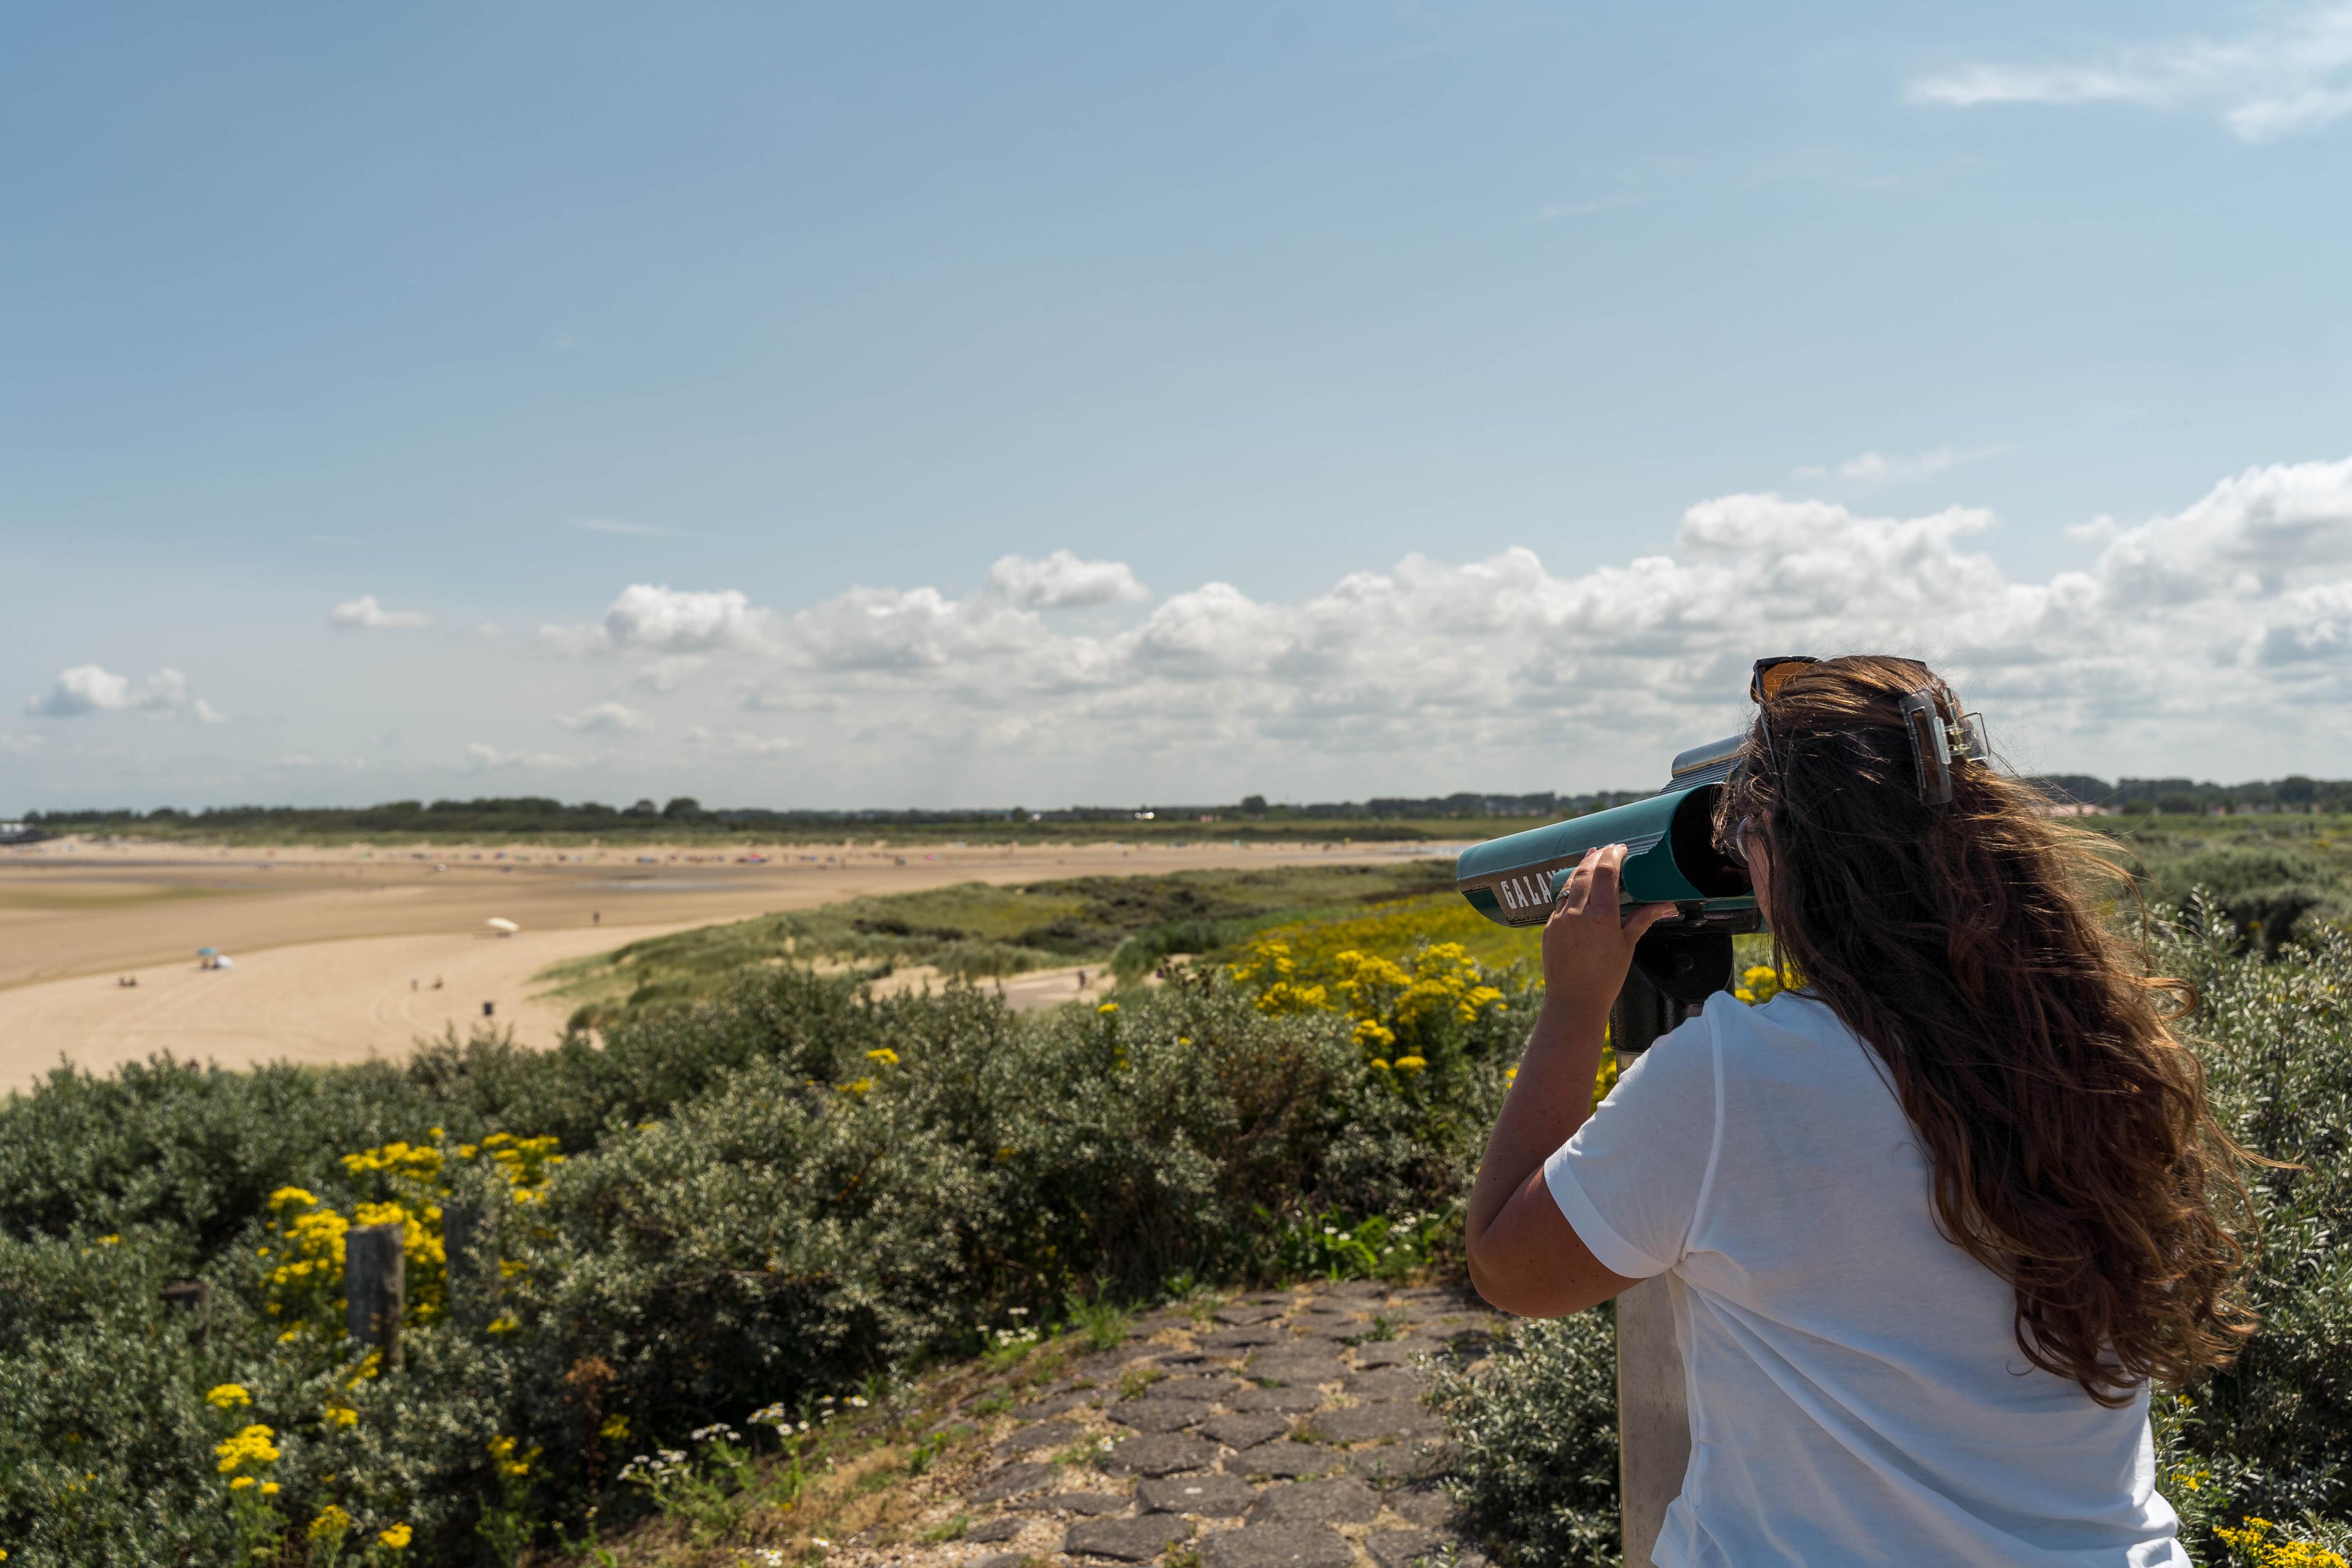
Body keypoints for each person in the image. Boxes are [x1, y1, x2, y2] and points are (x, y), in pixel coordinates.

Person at [1464, 655, 2256, 1567]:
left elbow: (1511, 1269)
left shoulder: (1733, 1082)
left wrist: (1574, 1006)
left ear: (1778, 855)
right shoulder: (2093, 1048)